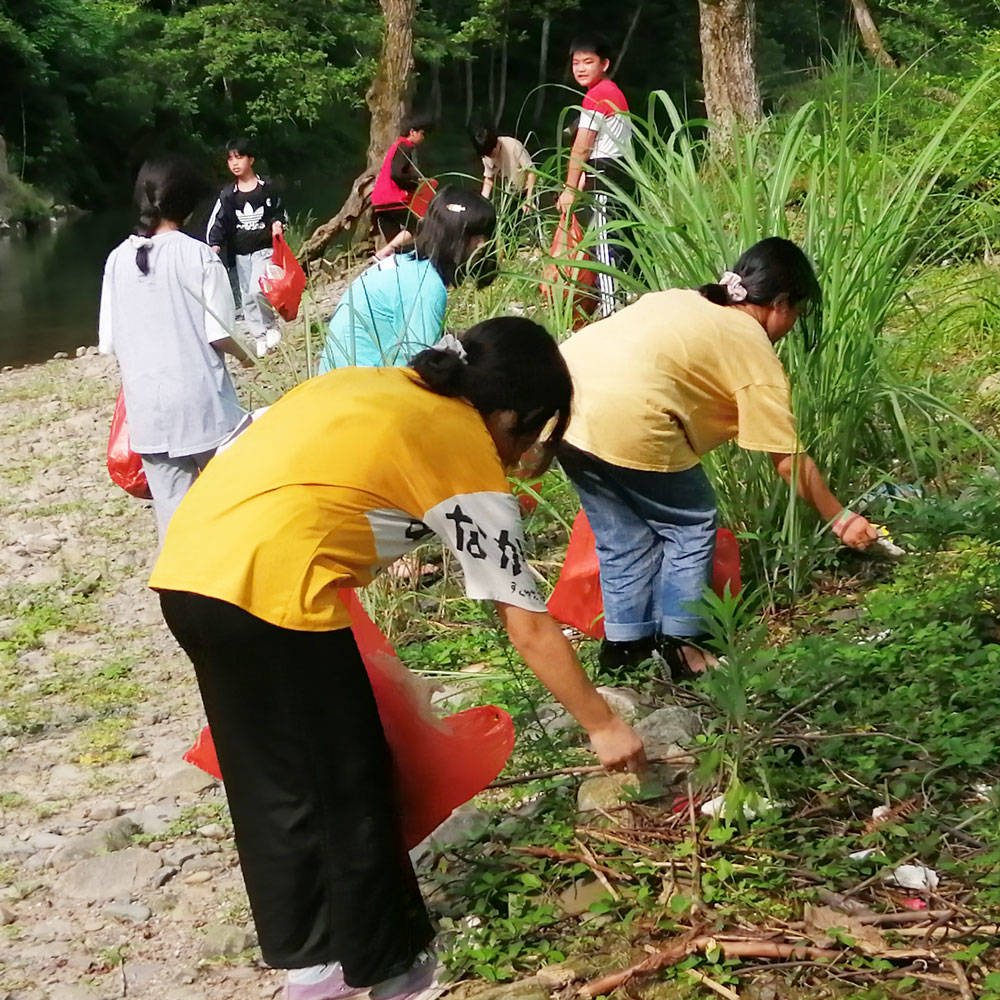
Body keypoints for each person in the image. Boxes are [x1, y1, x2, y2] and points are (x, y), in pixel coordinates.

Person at [148, 316, 646, 1000]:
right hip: (270, 594)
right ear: (508, 414)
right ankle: (391, 972)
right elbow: (527, 624)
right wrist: (603, 724)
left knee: (274, 779)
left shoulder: (374, 385)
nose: (523, 451)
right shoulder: (461, 443)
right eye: (529, 433)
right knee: (351, 783)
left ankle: (312, 965)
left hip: (188, 576)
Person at [558, 238, 879, 678]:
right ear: (781, 303)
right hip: (627, 414)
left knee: (622, 536)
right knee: (690, 524)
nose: (792, 323)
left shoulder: (682, 299)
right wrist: (840, 519)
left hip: (561, 404)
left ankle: (625, 648)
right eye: (797, 312)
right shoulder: (750, 343)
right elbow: (787, 460)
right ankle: (684, 649)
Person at [98, 158, 252, 541]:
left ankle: (180, 593)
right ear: (187, 205)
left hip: (147, 413)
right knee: (234, 503)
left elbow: (110, 343)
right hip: (204, 408)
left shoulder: (116, 260)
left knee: (174, 520)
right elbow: (218, 333)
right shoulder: (198, 255)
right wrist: (246, 355)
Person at [317, 187, 497, 372]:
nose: (484, 244)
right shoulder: (427, 286)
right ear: (456, 237)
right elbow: (422, 368)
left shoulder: (406, 264)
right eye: (479, 235)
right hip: (361, 389)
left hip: (334, 379)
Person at [556, 33, 634, 318]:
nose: (580, 68)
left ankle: (612, 313)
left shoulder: (597, 95)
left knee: (606, 247)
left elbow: (582, 147)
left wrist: (568, 190)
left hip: (606, 175)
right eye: (576, 62)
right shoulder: (613, 91)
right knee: (623, 242)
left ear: (605, 63)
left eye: (588, 62)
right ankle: (625, 306)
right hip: (623, 175)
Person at [206, 136, 287, 357]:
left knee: (258, 289)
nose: (234, 163)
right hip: (240, 254)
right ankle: (259, 336)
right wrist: (214, 244)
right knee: (246, 296)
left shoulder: (266, 188)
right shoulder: (228, 195)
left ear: (250, 159)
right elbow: (219, 221)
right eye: (230, 159)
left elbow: (279, 212)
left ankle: (271, 326)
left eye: (239, 157)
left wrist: (279, 224)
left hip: (265, 249)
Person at [371, 114, 433, 260]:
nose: (423, 138)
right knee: (418, 226)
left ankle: (386, 257)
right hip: (393, 199)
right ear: (412, 132)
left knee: (396, 244)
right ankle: (384, 252)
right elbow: (397, 174)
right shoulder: (405, 146)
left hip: (379, 202)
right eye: (422, 133)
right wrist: (416, 181)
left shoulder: (395, 147)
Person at [472, 127, 536, 208]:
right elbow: (489, 178)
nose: (491, 158)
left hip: (531, 188)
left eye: (492, 153)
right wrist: (483, 201)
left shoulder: (514, 146)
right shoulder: (486, 155)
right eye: (487, 155)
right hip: (512, 192)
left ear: (496, 144)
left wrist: (529, 199)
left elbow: (531, 173)